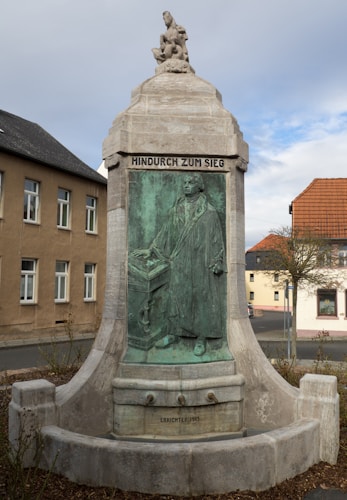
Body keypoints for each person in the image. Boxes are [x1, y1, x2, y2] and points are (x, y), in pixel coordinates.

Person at [133, 173, 225, 356]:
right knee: (176, 298)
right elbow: (165, 232)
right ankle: (174, 333)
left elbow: (216, 239)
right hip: (180, 260)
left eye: (191, 182)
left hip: (200, 262)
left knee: (199, 299)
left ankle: (200, 337)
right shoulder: (176, 209)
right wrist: (151, 249)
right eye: (185, 182)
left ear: (199, 187)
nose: (186, 185)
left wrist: (218, 261)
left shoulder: (209, 211)